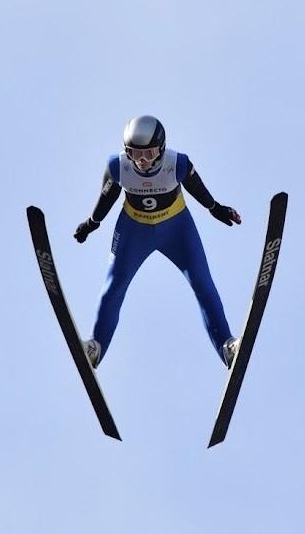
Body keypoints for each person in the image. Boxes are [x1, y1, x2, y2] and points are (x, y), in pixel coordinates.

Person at [74, 115, 242, 369]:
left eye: (150, 153)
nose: (142, 161)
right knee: (114, 285)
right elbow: (106, 198)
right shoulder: (119, 166)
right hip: (134, 229)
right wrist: (91, 224)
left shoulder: (178, 163)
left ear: (161, 148)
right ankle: (95, 347)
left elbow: (198, 190)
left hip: (176, 228)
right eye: (134, 153)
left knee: (202, 282)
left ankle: (226, 347)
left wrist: (216, 209)